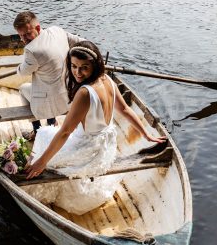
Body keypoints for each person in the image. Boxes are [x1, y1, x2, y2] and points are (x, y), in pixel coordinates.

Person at [24, 41, 166, 215]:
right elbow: (125, 110)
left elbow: (65, 132)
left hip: (87, 150)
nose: (77, 72)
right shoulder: (107, 80)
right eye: (73, 66)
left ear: (95, 65)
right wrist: (146, 134)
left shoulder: (84, 93)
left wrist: (42, 162)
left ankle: (35, 166)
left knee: (44, 133)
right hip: (105, 149)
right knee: (52, 133)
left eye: (84, 67)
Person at [13, 11, 83, 140]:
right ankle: (52, 123)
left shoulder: (31, 50)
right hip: (70, 95)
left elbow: (23, 72)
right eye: (21, 36)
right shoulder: (57, 31)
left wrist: (18, 67)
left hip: (54, 102)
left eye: (27, 34)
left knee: (23, 89)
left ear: (38, 28)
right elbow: (80, 41)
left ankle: (37, 130)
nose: (24, 40)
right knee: (46, 86)